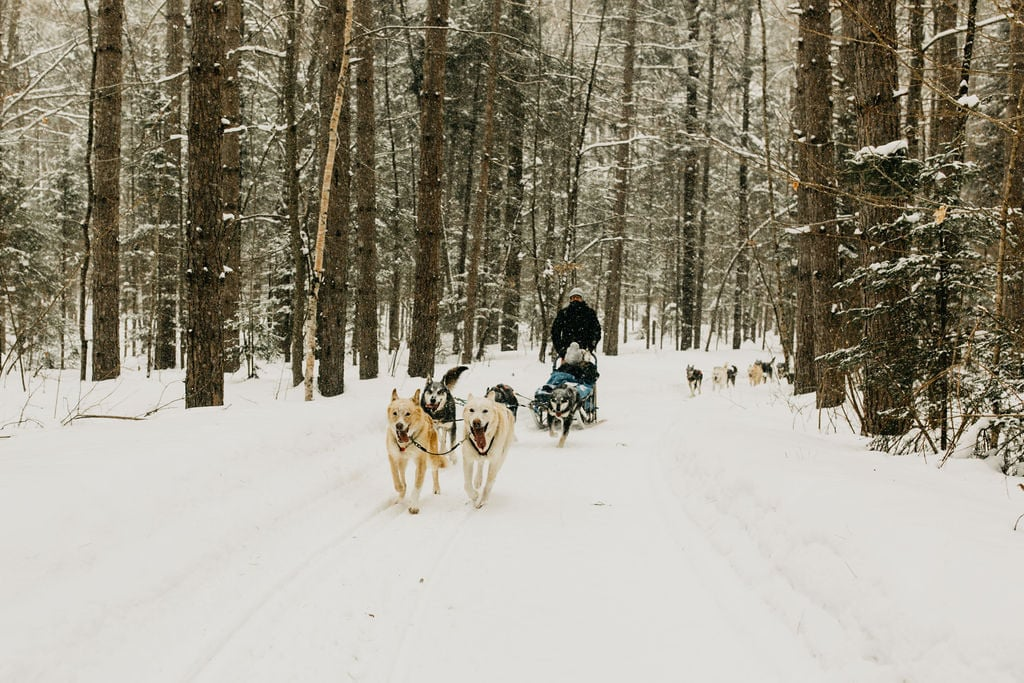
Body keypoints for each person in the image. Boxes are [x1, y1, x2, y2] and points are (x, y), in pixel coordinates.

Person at [551, 287, 601, 363]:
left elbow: (596, 331)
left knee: (585, 372)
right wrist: (561, 349)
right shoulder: (564, 313)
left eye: (578, 297)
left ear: (582, 299)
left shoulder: (589, 313)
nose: (575, 300)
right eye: (573, 297)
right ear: (570, 299)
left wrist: (590, 348)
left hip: (583, 351)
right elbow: (555, 332)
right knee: (565, 373)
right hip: (567, 352)